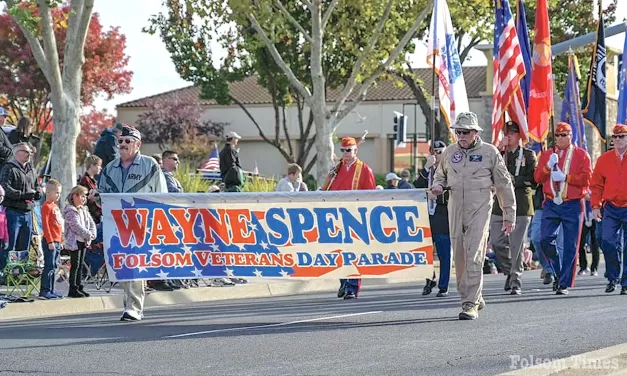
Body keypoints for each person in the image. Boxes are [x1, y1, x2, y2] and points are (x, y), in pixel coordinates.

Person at [431, 112, 516, 320]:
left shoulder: (490, 152)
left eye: (465, 132)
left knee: (474, 253)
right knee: (459, 256)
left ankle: (469, 303)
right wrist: (438, 185)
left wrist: (509, 214)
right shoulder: (450, 152)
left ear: (475, 132)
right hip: (455, 210)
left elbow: (504, 184)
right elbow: (440, 175)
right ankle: (473, 294)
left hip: (480, 210)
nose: (461, 135)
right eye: (458, 131)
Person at [98, 125, 167, 321]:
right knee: (122, 265)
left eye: (128, 141)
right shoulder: (109, 168)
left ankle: (134, 308)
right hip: (116, 223)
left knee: (136, 264)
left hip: (140, 223)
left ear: (138, 145)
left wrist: (156, 221)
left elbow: (161, 195)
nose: (123, 145)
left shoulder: (150, 165)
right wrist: (96, 197)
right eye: (120, 141)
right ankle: (128, 304)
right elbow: (101, 193)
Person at [534, 122, 592, 295]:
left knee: (570, 245)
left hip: (572, 203)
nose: (560, 138)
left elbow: (586, 178)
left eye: (564, 135)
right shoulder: (547, 155)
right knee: (544, 239)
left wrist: (566, 177)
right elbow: (537, 177)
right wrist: (546, 167)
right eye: (557, 135)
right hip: (551, 203)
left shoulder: (581, 155)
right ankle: (558, 272)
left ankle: (564, 283)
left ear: (570, 135)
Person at [322, 136, 376, 299]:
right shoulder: (336, 170)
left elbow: (372, 195)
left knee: (354, 253)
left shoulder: (364, 169)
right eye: (343, 150)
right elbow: (327, 193)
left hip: (356, 217)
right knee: (340, 252)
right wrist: (328, 178)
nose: (345, 153)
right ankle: (344, 282)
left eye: (349, 150)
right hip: (337, 217)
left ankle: (352, 286)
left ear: (355, 151)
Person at [490, 120, 537, 295]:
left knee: (516, 244)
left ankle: (516, 280)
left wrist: (512, 180)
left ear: (519, 136)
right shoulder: (498, 155)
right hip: (499, 205)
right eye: (506, 133)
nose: (508, 136)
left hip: (521, 205)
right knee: (497, 241)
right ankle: (510, 271)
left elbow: (532, 180)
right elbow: (489, 172)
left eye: (512, 133)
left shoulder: (528, 154)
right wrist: (499, 151)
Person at [590, 124, 627, 295]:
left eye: (622, 136)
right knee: (606, 240)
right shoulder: (604, 159)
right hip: (611, 206)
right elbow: (596, 185)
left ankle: (625, 282)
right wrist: (595, 205)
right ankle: (613, 276)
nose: (618, 140)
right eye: (615, 137)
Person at [414, 140, 451, 297]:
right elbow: (416, 187)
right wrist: (426, 167)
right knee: (425, 252)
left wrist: (437, 197)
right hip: (426, 216)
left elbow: (453, 193)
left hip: (442, 215)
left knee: (443, 252)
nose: (437, 154)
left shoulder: (450, 170)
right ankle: (430, 279)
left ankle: (443, 285)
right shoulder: (428, 171)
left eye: (441, 151)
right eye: (434, 151)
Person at [0, 142, 42, 271]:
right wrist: (24, 195)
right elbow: (4, 188)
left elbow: (36, 186)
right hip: (13, 212)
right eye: (26, 151)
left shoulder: (31, 170)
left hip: (28, 213)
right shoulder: (8, 168)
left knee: (24, 246)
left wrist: (38, 192)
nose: (29, 154)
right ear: (16, 153)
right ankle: (4, 275)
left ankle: (19, 273)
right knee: (9, 245)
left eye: (30, 152)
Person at [63, 185, 97, 298]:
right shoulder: (70, 211)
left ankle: (79, 286)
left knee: (81, 265)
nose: (84, 199)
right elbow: (75, 226)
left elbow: (91, 223)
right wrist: (87, 234)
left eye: (85, 196)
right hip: (75, 242)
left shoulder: (84, 210)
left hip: (83, 241)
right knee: (75, 265)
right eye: (82, 196)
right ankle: (73, 288)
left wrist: (92, 233)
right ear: (74, 196)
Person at [39, 179, 64, 300]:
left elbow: (58, 225)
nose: (58, 195)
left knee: (54, 266)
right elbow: (46, 225)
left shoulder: (55, 206)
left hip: (57, 240)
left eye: (59, 193)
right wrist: (49, 241)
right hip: (50, 241)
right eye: (56, 192)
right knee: (49, 266)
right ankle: (45, 290)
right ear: (48, 192)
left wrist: (61, 240)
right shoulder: (46, 206)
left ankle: (51, 289)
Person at [578, 189, 599, 276]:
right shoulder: (583, 180)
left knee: (594, 243)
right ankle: (583, 266)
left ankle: (594, 268)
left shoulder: (596, 181)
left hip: (594, 216)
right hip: (582, 216)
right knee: (581, 243)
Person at [78, 155, 103, 224]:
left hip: (95, 216)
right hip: (90, 216)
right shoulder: (85, 180)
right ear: (92, 166)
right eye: (99, 165)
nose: (100, 168)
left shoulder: (93, 181)